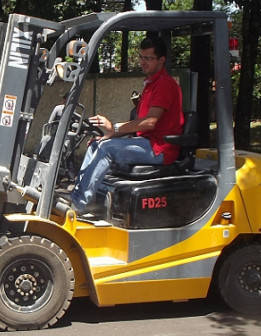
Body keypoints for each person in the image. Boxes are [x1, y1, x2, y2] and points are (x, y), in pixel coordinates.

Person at [69, 37, 184, 212]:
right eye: (141, 57)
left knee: (106, 149)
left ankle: (78, 204)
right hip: (147, 143)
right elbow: (137, 124)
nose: (143, 62)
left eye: (148, 58)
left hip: (160, 148)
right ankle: (76, 196)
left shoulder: (165, 85)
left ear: (161, 60)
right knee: (97, 145)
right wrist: (109, 135)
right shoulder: (150, 84)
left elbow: (149, 122)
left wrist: (113, 127)